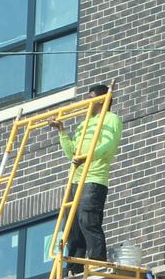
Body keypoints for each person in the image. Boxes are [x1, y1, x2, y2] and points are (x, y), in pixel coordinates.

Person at [46, 84, 122, 269]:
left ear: (103, 100)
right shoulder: (84, 125)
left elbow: (108, 147)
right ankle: (75, 267)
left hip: (94, 178)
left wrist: (87, 158)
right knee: (72, 225)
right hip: (76, 178)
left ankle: (97, 261)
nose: (88, 103)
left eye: (92, 99)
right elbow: (72, 152)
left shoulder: (111, 119)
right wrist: (62, 131)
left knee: (88, 219)